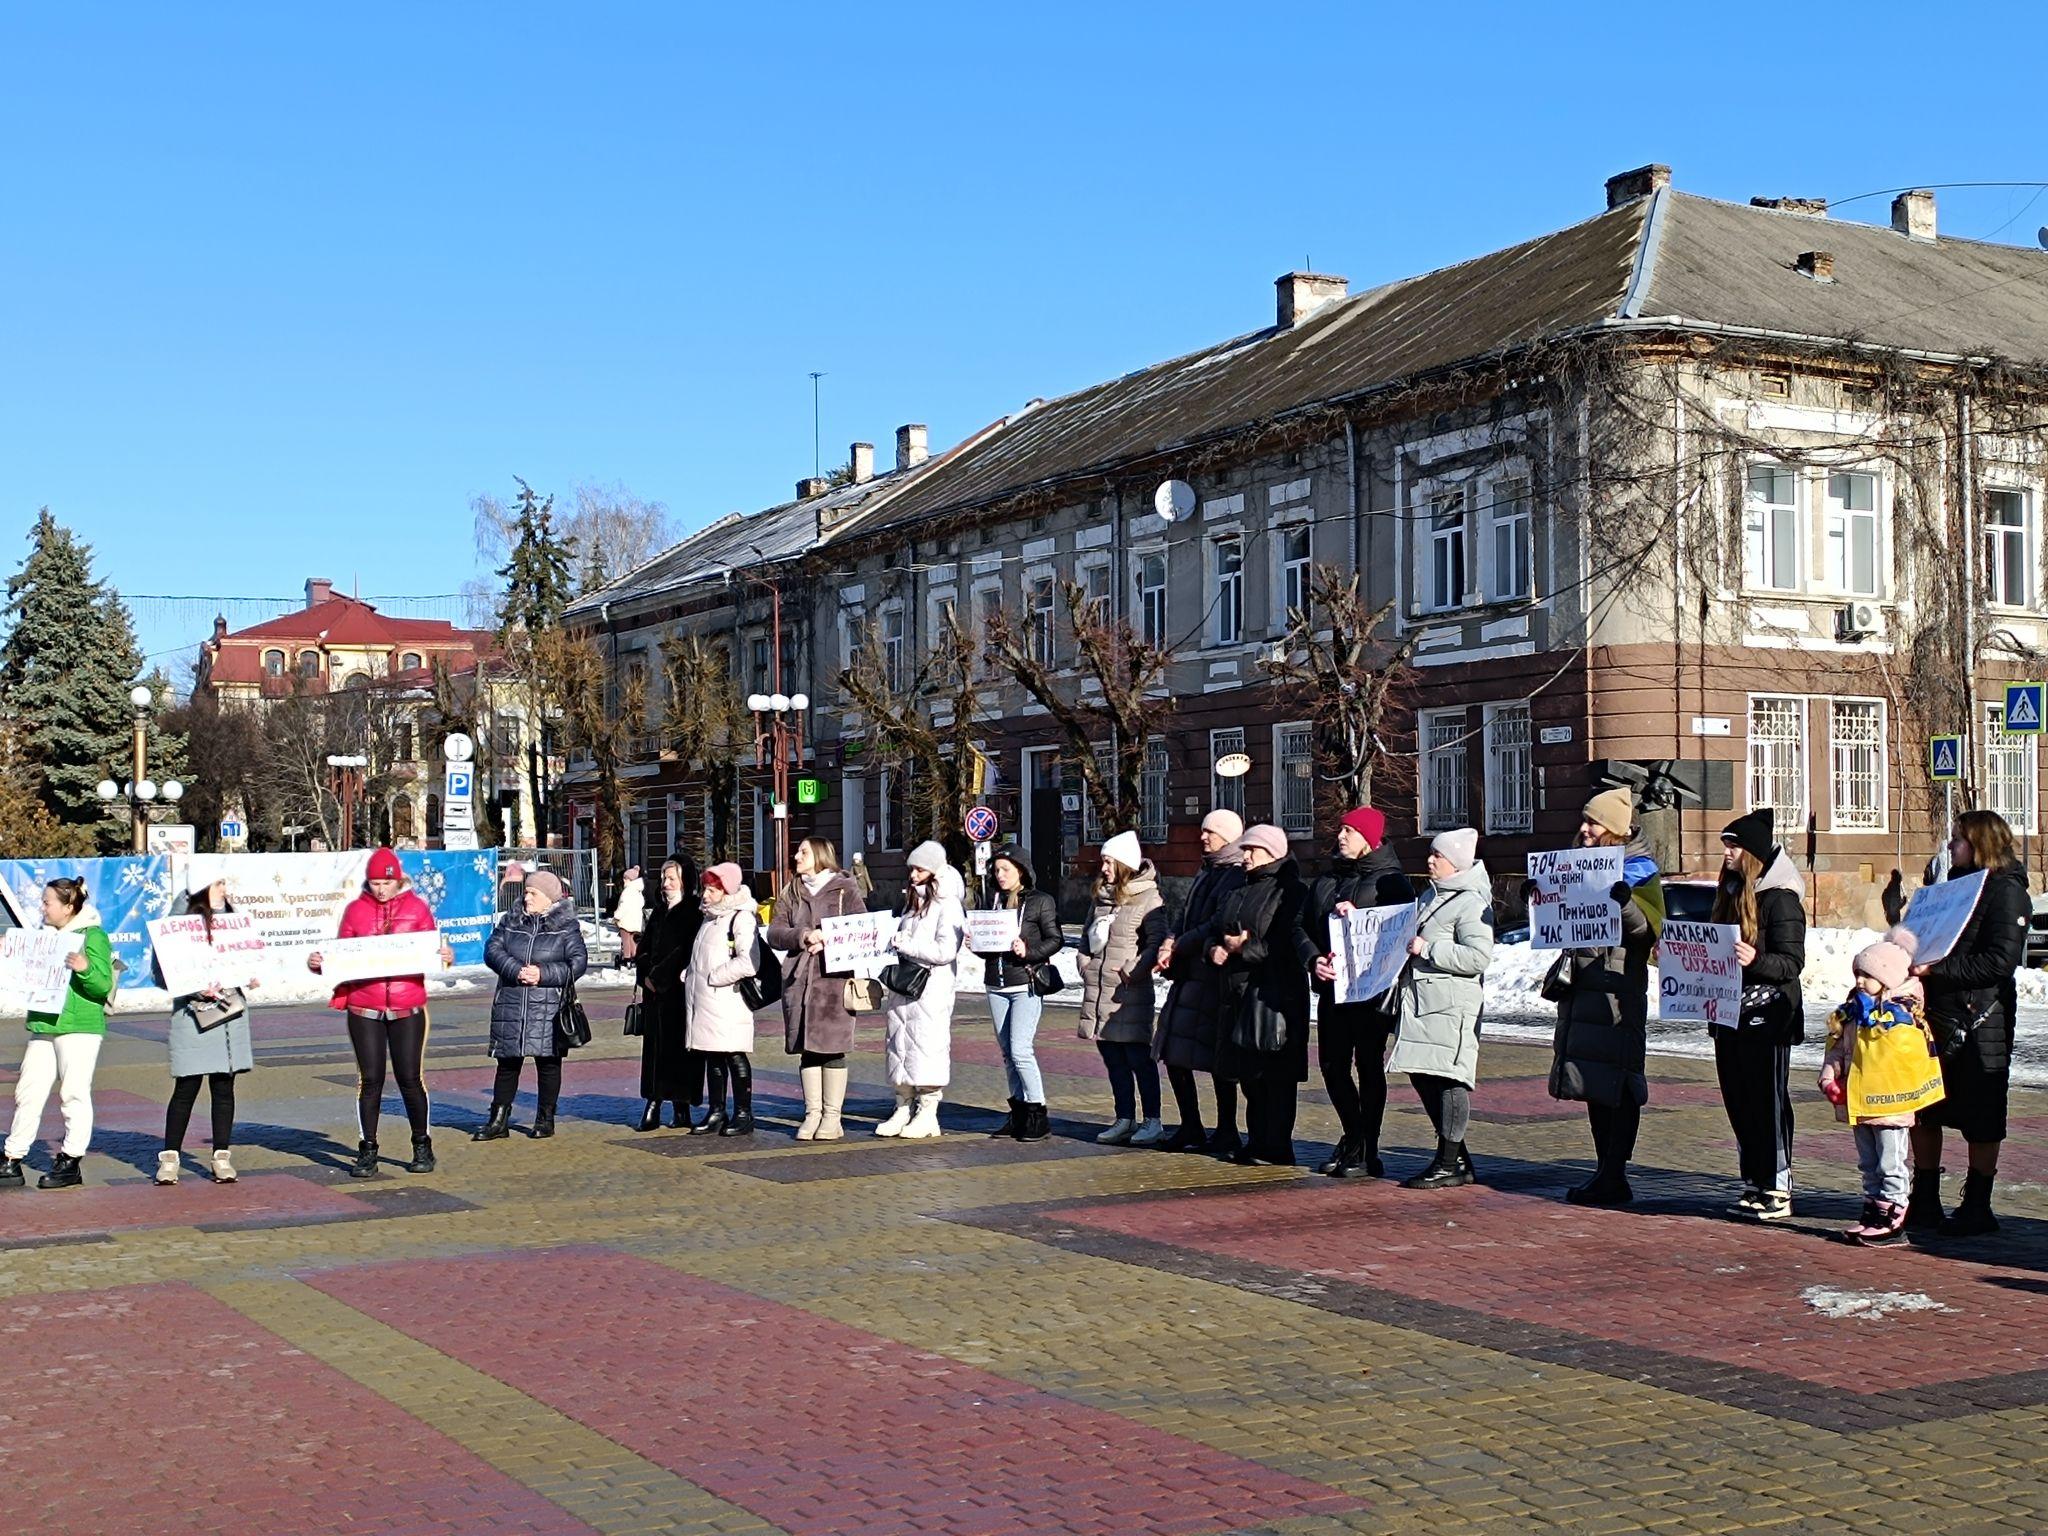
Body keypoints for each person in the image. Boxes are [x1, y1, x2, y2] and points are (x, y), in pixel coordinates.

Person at [1908, 808, 2029, 1236]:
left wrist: (1937, 971)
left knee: (1982, 1113)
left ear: (1980, 844)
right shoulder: (1955, 887)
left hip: (1983, 1019)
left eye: (1958, 839)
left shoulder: (2006, 891)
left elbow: (2000, 962)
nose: (1951, 846)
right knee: (1925, 1107)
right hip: (1938, 1015)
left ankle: (1977, 1204)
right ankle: (1924, 1199)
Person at [1545, 788, 1663, 1206]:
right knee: (1594, 1084)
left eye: (1592, 822)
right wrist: (1539, 897)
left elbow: (1648, 931)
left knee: (1620, 1082)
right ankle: (1603, 1171)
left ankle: (1615, 1173)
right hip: (1585, 991)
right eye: (1584, 820)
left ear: (1613, 828)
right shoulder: (1574, 865)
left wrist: (1625, 903)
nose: (1584, 828)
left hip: (1617, 993)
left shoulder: (1641, 870)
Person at [308, 848, 454, 1179]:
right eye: (374, 883)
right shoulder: (355, 910)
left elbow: (434, 953)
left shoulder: (417, 908)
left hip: (407, 1005)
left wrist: (445, 956)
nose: (380, 889)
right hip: (364, 1005)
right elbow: (341, 955)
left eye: (386, 882)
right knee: (370, 1079)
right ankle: (368, 1150)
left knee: (409, 1078)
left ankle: (421, 1144)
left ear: (398, 880)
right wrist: (320, 963)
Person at [1302, 806, 1412, 1177]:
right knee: (1332, 1065)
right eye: (1341, 830)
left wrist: (1361, 913)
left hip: (1372, 994)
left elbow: (1399, 934)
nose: (1341, 837)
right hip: (1334, 990)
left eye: (1349, 831)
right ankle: (1353, 1135)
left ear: (1370, 838)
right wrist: (1313, 959)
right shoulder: (1326, 880)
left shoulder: (1391, 882)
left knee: (1367, 1066)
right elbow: (1299, 929)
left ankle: (1368, 1148)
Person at [1709, 809, 1807, 1220]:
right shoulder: (1730, 893)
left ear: (1751, 852)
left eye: (1733, 845)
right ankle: (1753, 1177)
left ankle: (1778, 1182)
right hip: (1730, 1015)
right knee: (1739, 1100)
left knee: (1767, 1101)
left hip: (1770, 1017)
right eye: (1726, 845)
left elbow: (1791, 962)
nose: (1727, 852)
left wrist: (1755, 959)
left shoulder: (1781, 899)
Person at [1819, 930, 1944, 1245]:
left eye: (1868, 975)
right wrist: (1829, 1076)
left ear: (1887, 978)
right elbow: (1837, 1049)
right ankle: (1873, 1209)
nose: (1861, 980)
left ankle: (1894, 1214)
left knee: (1890, 1161)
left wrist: (1876, 1022)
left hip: (1890, 1104)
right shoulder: (1852, 1011)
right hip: (1859, 1101)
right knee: (1868, 1162)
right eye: (1858, 973)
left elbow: (1902, 1058)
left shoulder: (1901, 1016)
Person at [1388, 828, 1493, 1189]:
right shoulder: (1433, 895)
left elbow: (1479, 957)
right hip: (1423, 1003)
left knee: (1449, 1081)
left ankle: (1449, 1162)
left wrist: (1428, 950)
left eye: (1438, 855)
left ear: (1457, 863)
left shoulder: (1472, 902)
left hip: (1450, 1007)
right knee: (1423, 1075)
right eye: (1430, 854)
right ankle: (1457, 1156)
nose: (1430, 860)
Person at [0, 878, 114, 1190]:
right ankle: (12, 1158)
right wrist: (10, 954)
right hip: (44, 1024)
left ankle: (70, 1160)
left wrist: (84, 968)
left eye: (48, 902)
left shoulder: (93, 936)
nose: (42, 907)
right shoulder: (44, 938)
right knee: (28, 1091)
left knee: (73, 1093)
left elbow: (103, 985)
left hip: (79, 1026)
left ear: (68, 907)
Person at [1208, 824, 1311, 1167]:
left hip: (1275, 996)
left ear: (1273, 853)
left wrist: (1243, 948)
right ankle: (1257, 1140)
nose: (1246, 856)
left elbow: (1286, 942)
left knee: (1276, 1076)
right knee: (1249, 1075)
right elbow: (1216, 927)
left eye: (1253, 850)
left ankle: (1277, 1145)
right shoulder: (1238, 887)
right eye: (1245, 849)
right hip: (1237, 992)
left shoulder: (1291, 890)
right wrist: (1215, 949)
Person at [1153, 810, 1246, 1154]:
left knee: (1218, 1059)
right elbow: (1186, 914)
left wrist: (1180, 942)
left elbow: (1214, 923)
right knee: (1173, 1051)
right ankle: (1191, 1124)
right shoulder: (1208, 869)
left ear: (1228, 836)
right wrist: (1171, 939)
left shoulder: (1234, 873)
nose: (1203, 837)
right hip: (1190, 975)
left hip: (1212, 978)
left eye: (1210, 832)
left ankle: (1226, 1129)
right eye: (1203, 831)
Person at [156, 874, 257, 1185]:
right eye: (218, 884)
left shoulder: (233, 921)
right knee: (186, 1087)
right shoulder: (178, 923)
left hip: (229, 1015)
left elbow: (245, 958)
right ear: (200, 887)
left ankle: (221, 1156)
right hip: (193, 1017)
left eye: (226, 884)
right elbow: (162, 973)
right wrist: (195, 988)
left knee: (224, 1087)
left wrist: (249, 973)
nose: (224, 890)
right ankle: (170, 1157)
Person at [475, 868, 588, 1142]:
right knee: (507, 1063)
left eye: (533, 893)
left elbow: (577, 963)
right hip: (512, 1003)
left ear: (549, 898)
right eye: (526, 892)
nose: (527, 898)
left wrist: (542, 974)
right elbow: (492, 950)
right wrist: (514, 970)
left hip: (548, 1007)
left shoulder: (566, 927)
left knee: (548, 1064)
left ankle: (545, 1118)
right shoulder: (511, 920)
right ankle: (498, 1120)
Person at [765, 838, 866, 1141]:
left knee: (832, 1048)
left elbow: (861, 928)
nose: (796, 856)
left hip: (833, 981)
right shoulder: (791, 891)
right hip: (799, 982)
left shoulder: (844, 889)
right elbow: (774, 932)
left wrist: (829, 938)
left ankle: (832, 1117)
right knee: (807, 1049)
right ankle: (812, 1114)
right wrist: (803, 935)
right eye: (798, 851)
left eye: (803, 852)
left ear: (820, 856)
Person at [1078, 831, 1169, 1146]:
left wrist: (1134, 970)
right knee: (1112, 1057)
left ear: (1124, 864)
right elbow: (1086, 935)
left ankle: (1153, 1121)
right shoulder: (1102, 897)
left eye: (1108, 862)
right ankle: (1124, 1118)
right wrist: (1083, 960)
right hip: (1100, 992)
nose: (1103, 868)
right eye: (1103, 861)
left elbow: (1157, 940)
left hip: (1128, 994)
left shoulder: (1149, 898)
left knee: (1138, 1058)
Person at [973, 844, 1063, 1142]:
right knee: (1007, 1052)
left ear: (1021, 871)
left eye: (1005, 870)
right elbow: (989, 948)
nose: (999, 875)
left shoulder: (1040, 901)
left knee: (1021, 1049)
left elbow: (1056, 939)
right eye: (996, 870)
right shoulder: (993, 900)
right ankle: (1018, 1112)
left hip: (1025, 982)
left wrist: (1029, 951)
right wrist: (977, 943)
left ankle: (1038, 1114)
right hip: (996, 984)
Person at [877, 841, 966, 1139]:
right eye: (912, 869)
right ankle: (902, 1105)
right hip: (905, 986)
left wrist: (907, 944)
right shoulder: (914, 902)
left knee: (927, 1044)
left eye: (919, 869)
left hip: (931, 989)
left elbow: (946, 950)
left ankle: (928, 1110)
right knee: (900, 1043)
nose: (913, 875)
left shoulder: (948, 904)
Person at [685, 863, 761, 1137]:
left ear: (726, 890)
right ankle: (717, 1110)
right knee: (712, 1056)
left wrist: (714, 976)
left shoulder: (740, 917)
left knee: (734, 1054)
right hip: (707, 1001)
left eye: (712, 889)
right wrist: (691, 973)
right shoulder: (709, 918)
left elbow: (749, 962)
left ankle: (744, 1113)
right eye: (705, 888)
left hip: (727, 1000)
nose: (706, 894)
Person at [633, 856, 703, 1130]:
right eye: (663, 878)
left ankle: (681, 1106)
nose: (666, 884)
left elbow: (686, 952)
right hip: (654, 995)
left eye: (672, 878)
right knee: (654, 1051)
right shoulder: (659, 912)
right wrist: (646, 974)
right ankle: (653, 1102)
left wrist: (660, 977)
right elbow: (644, 949)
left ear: (685, 880)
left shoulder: (693, 912)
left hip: (679, 992)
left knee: (680, 1051)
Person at [615, 865, 647, 964]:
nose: (624, 881)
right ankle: (635, 956)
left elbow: (623, 906)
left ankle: (627, 957)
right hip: (635, 919)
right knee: (633, 939)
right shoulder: (638, 891)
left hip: (626, 919)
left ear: (630, 880)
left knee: (625, 939)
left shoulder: (627, 891)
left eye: (625, 878)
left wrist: (617, 916)